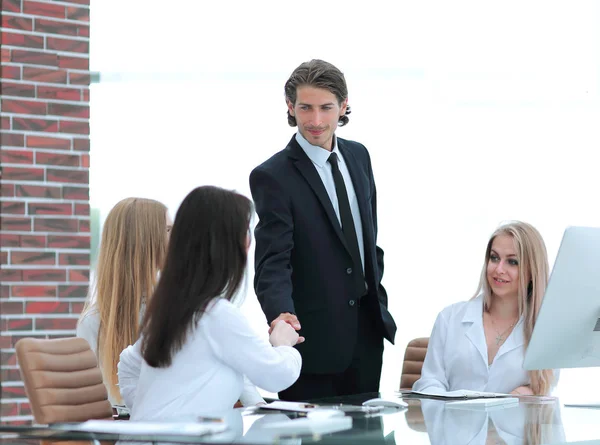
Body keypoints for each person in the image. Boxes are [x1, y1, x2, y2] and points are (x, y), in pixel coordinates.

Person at [249, 59, 397, 400]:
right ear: (290, 106)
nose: (315, 121)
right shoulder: (273, 176)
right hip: (311, 343)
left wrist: (378, 301)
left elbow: (367, 241)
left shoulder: (359, 156)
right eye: (306, 108)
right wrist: (279, 315)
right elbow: (272, 261)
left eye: (326, 108)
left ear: (343, 106)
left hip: (366, 336)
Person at [117, 186, 302, 420]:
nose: (248, 241)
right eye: (244, 231)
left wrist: (148, 421)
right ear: (227, 244)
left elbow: (128, 364)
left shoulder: (175, 307)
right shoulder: (216, 314)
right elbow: (277, 375)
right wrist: (284, 344)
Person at [413, 221, 557, 396]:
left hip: (508, 423)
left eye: (512, 262)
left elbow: (545, 394)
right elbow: (430, 381)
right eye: (494, 258)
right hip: (453, 422)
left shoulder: (545, 332)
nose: (499, 269)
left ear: (532, 271)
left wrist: (530, 396)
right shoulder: (449, 318)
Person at [77, 197, 171, 404]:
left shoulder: (176, 308)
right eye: (168, 230)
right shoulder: (94, 322)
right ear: (144, 240)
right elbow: (93, 407)